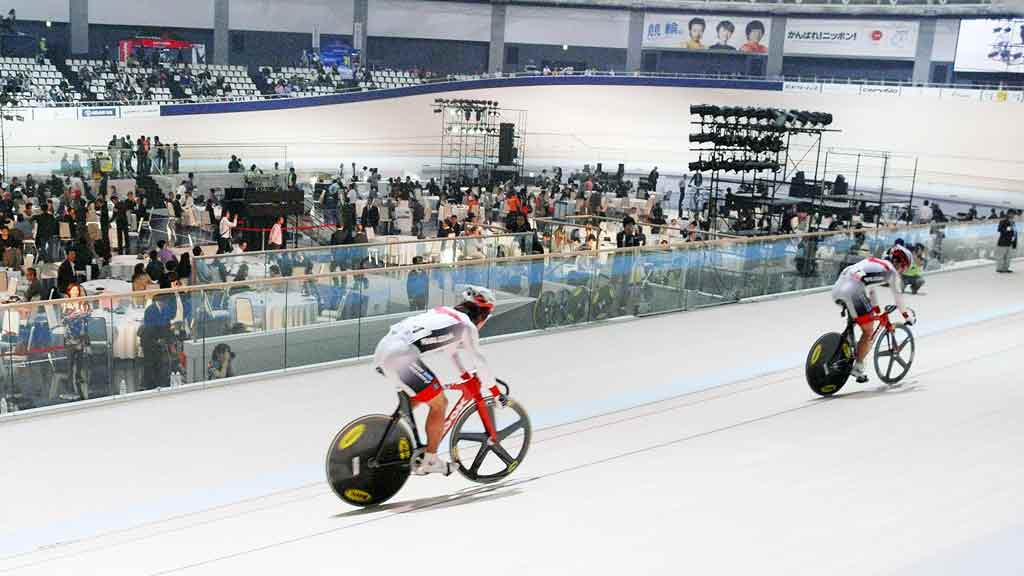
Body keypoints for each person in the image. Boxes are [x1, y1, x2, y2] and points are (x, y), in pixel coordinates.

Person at [373, 286, 497, 475]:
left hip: (384, 349)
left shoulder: (445, 313)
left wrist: (464, 375)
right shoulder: (467, 326)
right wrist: (496, 393)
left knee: (423, 395)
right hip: (401, 355)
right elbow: (480, 362)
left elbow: (451, 352)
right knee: (440, 403)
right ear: (483, 314)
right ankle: (430, 461)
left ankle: (384, 435)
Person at [830, 246, 915, 383]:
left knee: (862, 317)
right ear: (901, 264)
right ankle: (858, 367)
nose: (902, 271)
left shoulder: (874, 262)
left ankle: (848, 347)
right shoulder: (892, 272)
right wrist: (907, 316)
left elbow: (871, 289)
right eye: (904, 268)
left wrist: (876, 310)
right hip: (854, 290)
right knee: (869, 331)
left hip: (838, 288)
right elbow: (898, 297)